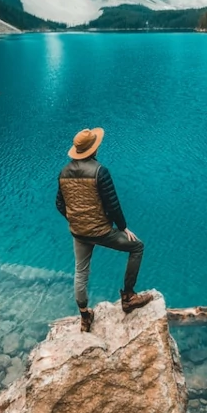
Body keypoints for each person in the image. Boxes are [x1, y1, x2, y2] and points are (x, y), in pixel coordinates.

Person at [56, 127, 153, 332]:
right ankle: (128, 297)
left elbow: (59, 204)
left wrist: (76, 219)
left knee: (80, 272)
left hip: (78, 233)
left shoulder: (64, 173)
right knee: (137, 247)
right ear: (94, 149)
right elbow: (112, 205)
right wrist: (123, 227)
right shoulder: (100, 171)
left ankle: (85, 317)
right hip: (101, 232)